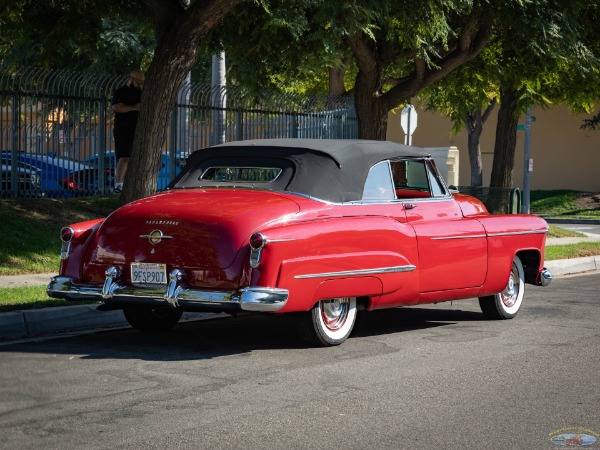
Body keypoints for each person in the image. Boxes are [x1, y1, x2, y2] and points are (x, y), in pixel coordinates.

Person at [111, 69, 144, 193]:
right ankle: (118, 184)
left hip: (137, 129)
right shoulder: (121, 92)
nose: (139, 84)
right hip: (123, 129)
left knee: (133, 157)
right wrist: (133, 108)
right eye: (138, 82)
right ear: (130, 79)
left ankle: (128, 183)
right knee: (124, 156)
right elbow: (116, 107)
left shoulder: (140, 92)